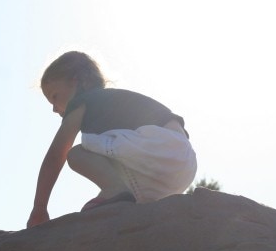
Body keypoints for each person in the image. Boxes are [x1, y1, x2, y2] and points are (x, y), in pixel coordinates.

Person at [27, 51, 197, 228]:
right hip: (183, 166)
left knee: (76, 153)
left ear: (76, 82)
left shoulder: (83, 100)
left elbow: (56, 155)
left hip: (158, 145)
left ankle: (115, 190)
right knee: (118, 182)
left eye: (54, 97)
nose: (54, 109)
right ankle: (121, 194)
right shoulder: (111, 103)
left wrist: (39, 207)